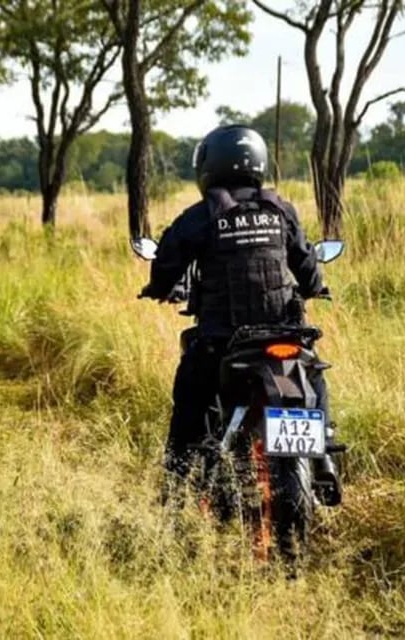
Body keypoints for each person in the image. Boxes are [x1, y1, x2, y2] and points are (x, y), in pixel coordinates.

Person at [139, 124, 342, 506]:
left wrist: (161, 288)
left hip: (222, 338)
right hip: (285, 332)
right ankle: (325, 451)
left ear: (209, 166)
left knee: (189, 399)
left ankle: (176, 486)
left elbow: (166, 262)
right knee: (312, 373)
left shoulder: (201, 216)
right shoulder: (281, 209)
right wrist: (315, 287)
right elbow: (308, 266)